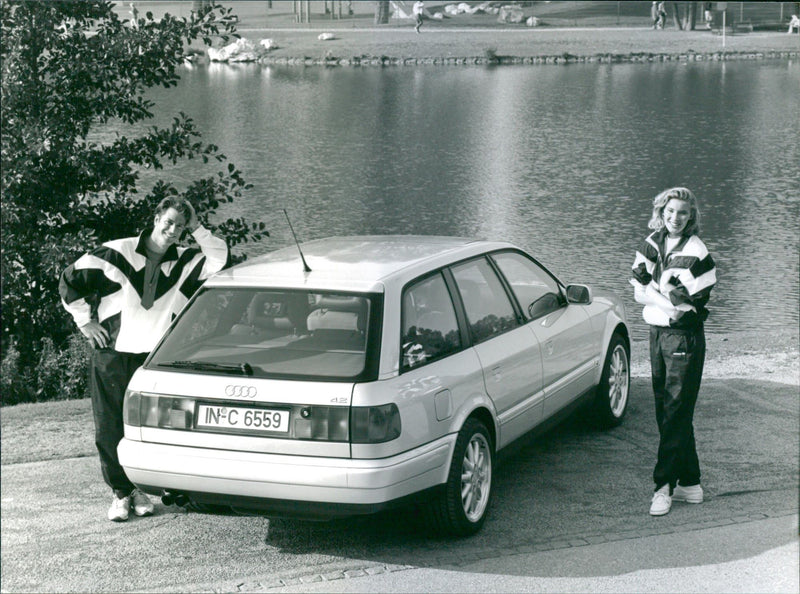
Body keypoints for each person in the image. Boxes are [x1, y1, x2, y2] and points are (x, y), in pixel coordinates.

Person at [60, 197, 229, 521]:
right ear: (155, 218)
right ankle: (121, 493)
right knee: (110, 427)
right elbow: (70, 279)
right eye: (168, 221)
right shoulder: (116, 252)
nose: (173, 230)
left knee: (156, 426)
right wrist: (85, 322)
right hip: (113, 354)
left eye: (180, 226)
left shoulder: (185, 260)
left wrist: (197, 227)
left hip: (155, 358)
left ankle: (145, 488)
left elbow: (219, 258)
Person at [630, 187, 717, 517]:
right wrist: (664, 294)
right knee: (666, 409)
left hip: (684, 338)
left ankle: (663, 487)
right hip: (656, 334)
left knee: (675, 412)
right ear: (661, 212)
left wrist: (657, 292)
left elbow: (690, 308)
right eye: (669, 211)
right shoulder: (651, 243)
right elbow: (638, 291)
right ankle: (690, 484)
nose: (675, 218)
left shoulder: (697, 252)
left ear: (691, 215)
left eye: (682, 212)